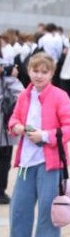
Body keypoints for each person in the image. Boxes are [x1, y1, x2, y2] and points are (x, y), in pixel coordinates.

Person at [0, 53, 70, 237]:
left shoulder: (60, 96)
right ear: (29, 71)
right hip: (26, 163)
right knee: (19, 212)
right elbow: (13, 119)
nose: (39, 75)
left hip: (50, 163)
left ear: (52, 73)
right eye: (35, 71)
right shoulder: (25, 95)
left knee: (48, 213)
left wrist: (45, 135)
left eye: (44, 72)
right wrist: (15, 127)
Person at [0, 60, 25, 205]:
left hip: (4, 127)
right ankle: (1, 192)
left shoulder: (7, 76)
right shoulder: (8, 77)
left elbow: (22, 96)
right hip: (3, 127)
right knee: (4, 159)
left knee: (4, 159)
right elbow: (22, 95)